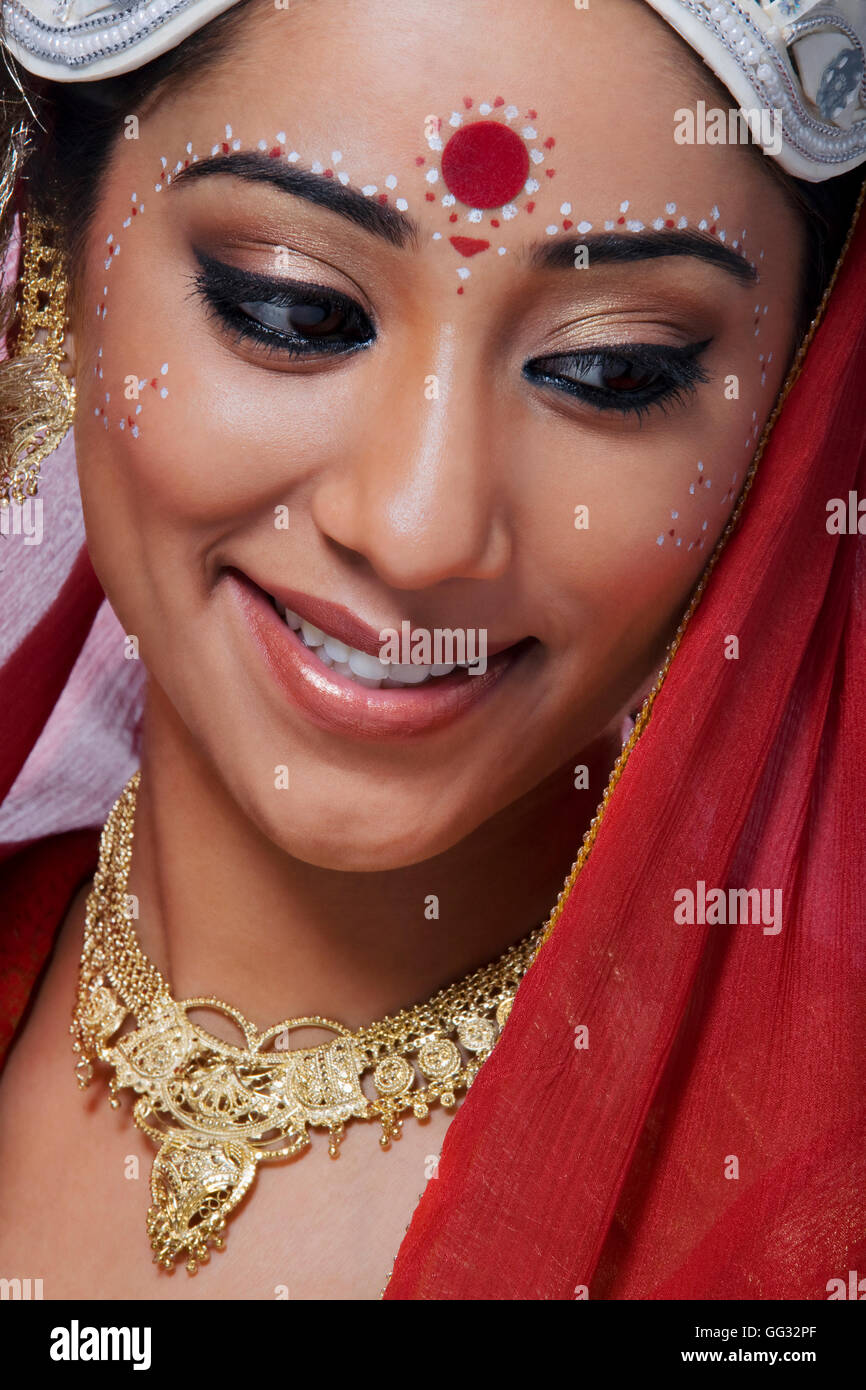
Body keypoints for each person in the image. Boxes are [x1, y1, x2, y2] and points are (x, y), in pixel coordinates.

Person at [0, 0, 864, 1300]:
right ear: (63, 265)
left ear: (791, 410)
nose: (417, 531)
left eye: (613, 373)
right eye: (292, 311)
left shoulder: (804, 1227)